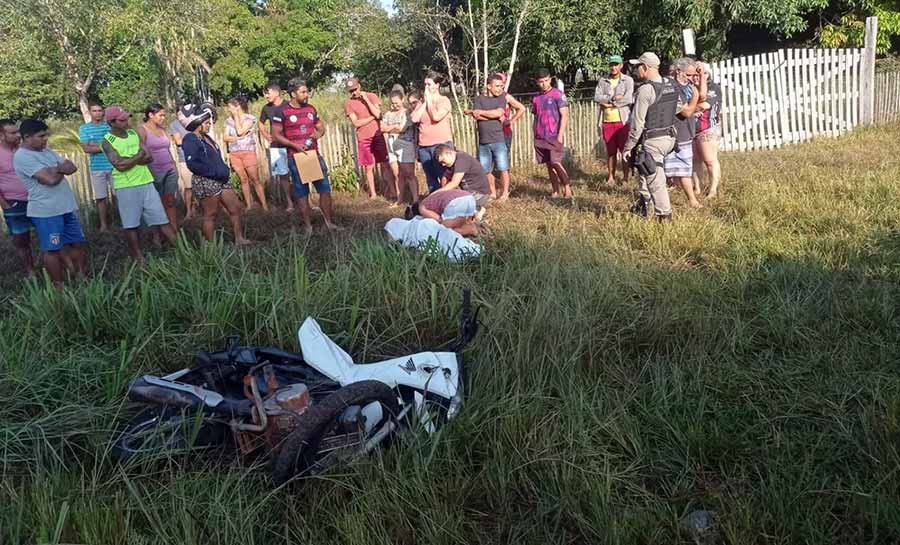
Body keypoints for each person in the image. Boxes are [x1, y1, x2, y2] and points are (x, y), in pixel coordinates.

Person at [13, 119, 88, 287]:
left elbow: (72, 167)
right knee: (52, 249)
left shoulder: (47, 152)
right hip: (46, 212)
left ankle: (81, 277)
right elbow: (50, 179)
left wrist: (56, 170)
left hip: (66, 207)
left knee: (78, 243)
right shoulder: (22, 157)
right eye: (41, 136)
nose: (46, 139)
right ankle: (58, 285)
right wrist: (60, 169)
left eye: (46, 135)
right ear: (27, 137)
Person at [101, 106, 177, 262]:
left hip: (146, 181)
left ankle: (181, 251)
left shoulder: (133, 133)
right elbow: (119, 165)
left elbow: (148, 157)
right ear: (111, 122)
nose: (126, 122)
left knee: (161, 218)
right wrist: (137, 157)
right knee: (131, 224)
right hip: (126, 186)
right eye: (122, 120)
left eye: (127, 118)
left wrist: (130, 159)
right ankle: (139, 257)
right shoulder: (107, 141)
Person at [271, 78, 340, 233]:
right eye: (303, 92)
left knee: (324, 189)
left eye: (306, 91)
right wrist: (293, 145)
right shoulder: (281, 111)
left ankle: (328, 223)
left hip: (313, 155)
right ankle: (308, 226)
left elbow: (320, 128)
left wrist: (319, 133)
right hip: (295, 158)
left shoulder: (311, 109)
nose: (306, 94)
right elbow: (275, 134)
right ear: (293, 93)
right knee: (302, 193)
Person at [180, 102, 252, 245]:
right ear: (198, 123)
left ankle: (239, 238)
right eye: (206, 123)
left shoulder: (207, 138)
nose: (209, 125)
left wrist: (222, 171)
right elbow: (192, 164)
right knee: (210, 214)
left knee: (235, 208)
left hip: (221, 179)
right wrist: (214, 172)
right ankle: (211, 245)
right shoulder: (190, 139)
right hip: (206, 181)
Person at [623, 52, 679, 221]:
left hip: (654, 140)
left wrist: (628, 147)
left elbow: (637, 124)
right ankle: (643, 204)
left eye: (638, 66)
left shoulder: (646, 90)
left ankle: (664, 216)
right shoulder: (671, 85)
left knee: (656, 180)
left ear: (645, 67)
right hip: (669, 137)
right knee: (646, 170)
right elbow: (678, 107)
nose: (635, 69)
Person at [466, 73, 520, 203]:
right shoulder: (479, 99)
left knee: (503, 168)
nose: (500, 88)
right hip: (483, 141)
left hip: (498, 139)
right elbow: (478, 117)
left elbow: (499, 112)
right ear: (489, 86)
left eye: (501, 86)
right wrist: (488, 115)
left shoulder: (501, 98)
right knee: (486, 170)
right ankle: (493, 193)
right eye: (497, 86)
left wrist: (480, 112)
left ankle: (505, 193)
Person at [664, 58, 703, 209]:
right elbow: (686, 112)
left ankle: (692, 200)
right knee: (666, 170)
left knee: (684, 169)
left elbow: (703, 96)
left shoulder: (687, 86)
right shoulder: (671, 88)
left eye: (693, 75)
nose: (691, 78)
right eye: (688, 75)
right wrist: (695, 98)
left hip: (685, 133)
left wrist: (701, 77)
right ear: (679, 71)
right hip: (673, 134)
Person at [344, 77, 392, 200]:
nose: (354, 92)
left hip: (377, 134)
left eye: (355, 89)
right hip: (364, 137)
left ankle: (391, 190)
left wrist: (366, 99)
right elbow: (356, 123)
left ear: (359, 86)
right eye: (351, 91)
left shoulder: (371, 96)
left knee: (385, 164)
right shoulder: (349, 103)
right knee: (369, 166)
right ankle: (373, 193)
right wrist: (371, 118)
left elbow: (378, 114)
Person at [0, 119, 34, 278]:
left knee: (48, 233)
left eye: (17, 131)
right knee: (21, 240)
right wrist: (4, 204)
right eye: (12, 133)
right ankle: (30, 271)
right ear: (1, 135)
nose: (17, 135)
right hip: (14, 202)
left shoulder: (24, 150)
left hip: (36, 200)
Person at [594, 55, 635, 186]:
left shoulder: (627, 80)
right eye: (611, 64)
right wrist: (613, 97)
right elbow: (597, 97)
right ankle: (611, 177)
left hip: (622, 121)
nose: (613, 67)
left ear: (621, 65)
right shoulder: (603, 81)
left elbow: (628, 98)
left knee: (624, 151)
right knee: (610, 151)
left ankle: (625, 178)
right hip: (607, 121)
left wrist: (610, 104)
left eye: (616, 64)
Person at [531, 68, 572, 198]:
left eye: (546, 80)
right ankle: (555, 190)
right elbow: (535, 117)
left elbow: (564, 115)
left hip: (554, 135)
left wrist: (560, 135)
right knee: (549, 164)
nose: (544, 83)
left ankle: (567, 188)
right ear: (537, 82)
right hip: (540, 136)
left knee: (556, 162)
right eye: (541, 81)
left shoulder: (558, 95)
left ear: (550, 79)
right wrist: (534, 134)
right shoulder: (536, 98)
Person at [137, 103, 180, 229]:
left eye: (164, 115)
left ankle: (174, 230)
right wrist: (149, 170)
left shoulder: (162, 130)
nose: (163, 118)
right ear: (150, 115)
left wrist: (174, 167)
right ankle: (158, 233)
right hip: (154, 170)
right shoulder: (142, 130)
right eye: (160, 115)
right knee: (156, 204)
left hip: (169, 169)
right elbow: (140, 152)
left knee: (170, 201)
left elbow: (167, 149)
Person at [411, 71, 454, 193]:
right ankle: (434, 202)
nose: (426, 88)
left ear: (437, 85)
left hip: (441, 144)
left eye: (429, 84)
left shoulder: (444, 101)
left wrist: (429, 101)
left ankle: (448, 200)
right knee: (431, 179)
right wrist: (424, 103)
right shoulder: (422, 103)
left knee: (445, 176)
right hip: (424, 147)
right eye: (425, 84)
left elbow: (436, 116)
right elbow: (414, 118)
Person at [225, 96, 268, 211]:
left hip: (248, 151)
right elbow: (225, 137)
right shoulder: (229, 121)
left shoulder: (250, 119)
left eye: (230, 107)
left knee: (255, 179)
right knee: (243, 179)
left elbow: (240, 131)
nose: (229, 110)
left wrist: (236, 117)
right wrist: (235, 138)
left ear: (237, 107)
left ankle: (264, 205)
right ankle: (249, 205)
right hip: (235, 153)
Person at [78, 102, 114, 231]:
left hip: (114, 165)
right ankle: (103, 225)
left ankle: (120, 221)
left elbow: (114, 146)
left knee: (120, 195)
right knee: (100, 197)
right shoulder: (84, 128)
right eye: (94, 111)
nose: (97, 113)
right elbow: (86, 148)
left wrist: (95, 145)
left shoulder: (109, 127)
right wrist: (104, 146)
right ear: (90, 112)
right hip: (97, 167)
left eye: (100, 110)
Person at [258, 82, 293, 212]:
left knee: (298, 172)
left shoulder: (289, 105)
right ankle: (289, 203)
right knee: (283, 175)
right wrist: (266, 135)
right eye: (265, 93)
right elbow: (261, 123)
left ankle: (309, 202)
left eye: (268, 93)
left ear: (276, 92)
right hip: (276, 146)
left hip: (291, 144)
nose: (266, 96)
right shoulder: (266, 108)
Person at [380, 90, 418, 204]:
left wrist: (390, 128)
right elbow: (382, 128)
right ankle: (399, 198)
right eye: (392, 103)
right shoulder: (388, 114)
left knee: (409, 173)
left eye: (397, 102)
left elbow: (402, 128)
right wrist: (395, 127)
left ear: (402, 100)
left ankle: (415, 199)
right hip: (391, 144)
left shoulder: (407, 113)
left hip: (405, 144)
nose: (394, 105)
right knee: (397, 174)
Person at [432, 144, 491, 216]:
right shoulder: (451, 162)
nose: (443, 165)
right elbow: (444, 177)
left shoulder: (462, 160)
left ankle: (477, 209)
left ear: (449, 153)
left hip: (479, 194)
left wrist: (436, 194)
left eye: (443, 161)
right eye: (441, 163)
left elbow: (454, 183)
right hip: (467, 191)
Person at [692, 63, 723, 199]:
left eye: (702, 73)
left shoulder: (713, 88)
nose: (698, 76)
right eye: (696, 73)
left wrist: (690, 110)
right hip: (692, 129)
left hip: (708, 128)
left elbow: (704, 105)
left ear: (708, 74)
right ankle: (697, 188)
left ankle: (713, 190)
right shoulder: (691, 88)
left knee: (710, 160)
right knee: (695, 160)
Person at [169, 111, 195, 219]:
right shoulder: (174, 124)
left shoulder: (194, 121)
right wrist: (194, 139)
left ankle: (199, 209)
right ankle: (188, 212)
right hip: (184, 159)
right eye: (179, 113)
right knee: (188, 187)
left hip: (198, 157)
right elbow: (178, 141)